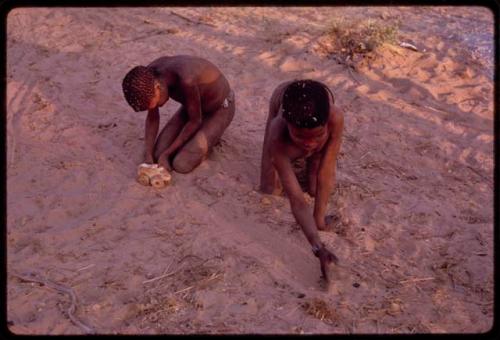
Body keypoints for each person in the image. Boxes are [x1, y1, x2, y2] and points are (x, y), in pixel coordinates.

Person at [259, 79, 344, 282]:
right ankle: (297, 145)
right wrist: (317, 246)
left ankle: (311, 155)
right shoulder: (277, 130)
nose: (309, 144)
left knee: (315, 186)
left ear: (326, 124)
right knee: (269, 188)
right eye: (299, 136)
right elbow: (297, 200)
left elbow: (327, 170)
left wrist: (319, 221)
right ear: (288, 125)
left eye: (318, 135)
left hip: (316, 105)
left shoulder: (335, 117)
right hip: (283, 97)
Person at [122, 55, 235, 174]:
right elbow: (152, 119)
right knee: (157, 153)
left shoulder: (187, 79)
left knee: (181, 164)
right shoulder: (149, 77)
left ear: (157, 87)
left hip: (220, 108)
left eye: (157, 104)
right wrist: (148, 155)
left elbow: (195, 121)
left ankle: (210, 136)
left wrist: (167, 154)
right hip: (191, 106)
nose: (158, 107)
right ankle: (194, 138)